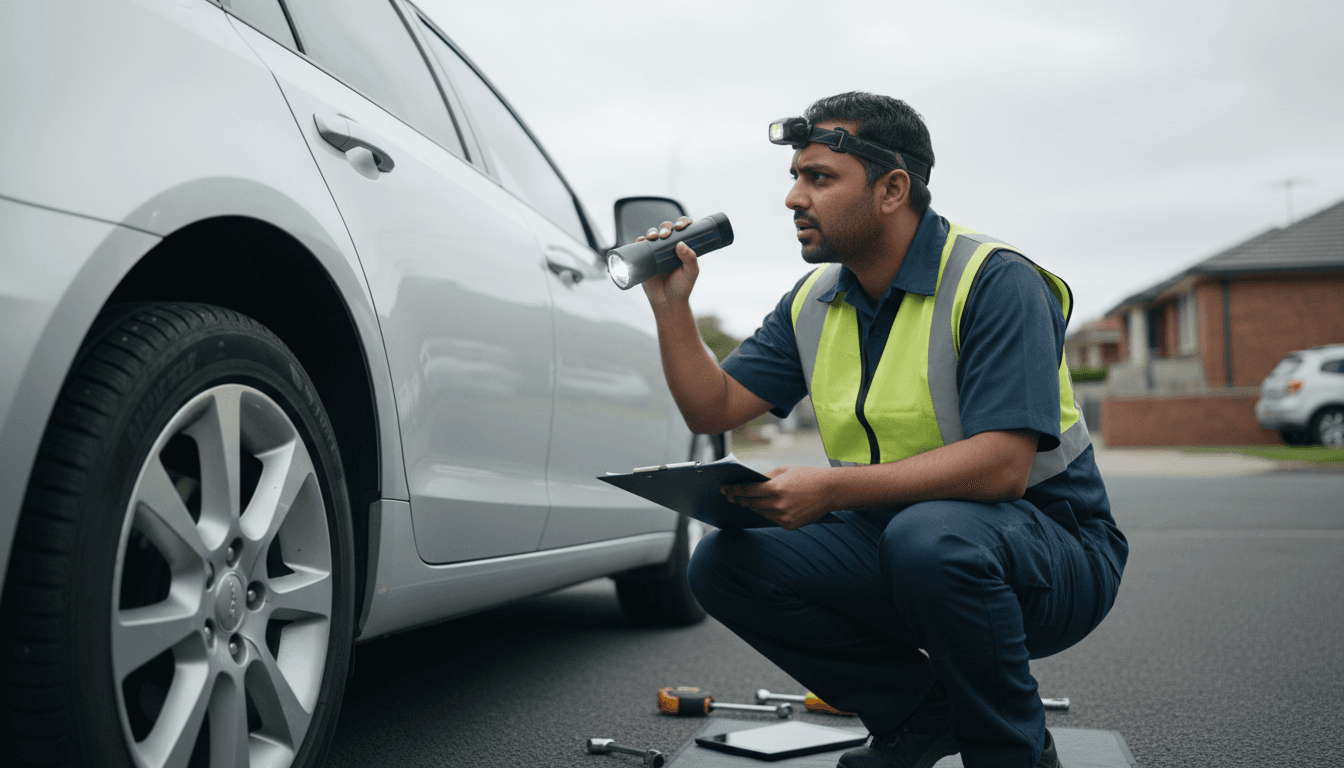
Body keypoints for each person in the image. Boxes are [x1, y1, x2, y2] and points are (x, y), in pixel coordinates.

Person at [636, 92, 1127, 768]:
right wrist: (671, 309)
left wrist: (832, 489)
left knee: (930, 536)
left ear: (893, 189)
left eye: (819, 178)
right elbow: (712, 408)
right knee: (726, 563)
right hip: (907, 546)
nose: (793, 198)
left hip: (1052, 555)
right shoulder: (816, 299)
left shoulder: (995, 282)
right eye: (794, 176)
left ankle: (1010, 751)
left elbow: (1003, 467)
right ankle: (921, 720)